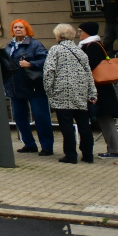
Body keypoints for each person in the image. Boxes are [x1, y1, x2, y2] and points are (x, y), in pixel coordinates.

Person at [44, 23, 96, 163]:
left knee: (66, 125)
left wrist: (49, 90)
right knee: (84, 124)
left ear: (59, 35)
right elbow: (88, 73)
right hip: (80, 92)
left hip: (61, 92)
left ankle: (71, 155)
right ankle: (88, 154)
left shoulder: (55, 50)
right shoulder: (80, 51)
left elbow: (49, 71)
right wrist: (92, 93)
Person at [3, 19, 54, 155]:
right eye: (15, 27)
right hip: (15, 86)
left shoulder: (35, 44)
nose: (18, 29)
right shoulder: (9, 46)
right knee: (19, 117)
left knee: (41, 116)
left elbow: (46, 60)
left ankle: (47, 146)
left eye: (21, 27)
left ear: (27, 30)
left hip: (34, 85)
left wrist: (31, 64)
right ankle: (29, 144)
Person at [76, 21, 118, 158]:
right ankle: (113, 149)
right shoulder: (90, 45)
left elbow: (89, 66)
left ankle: (115, 150)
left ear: (87, 32)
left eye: (80, 31)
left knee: (106, 119)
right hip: (100, 88)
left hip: (100, 89)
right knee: (104, 119)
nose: (79, 34)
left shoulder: (93, 46)